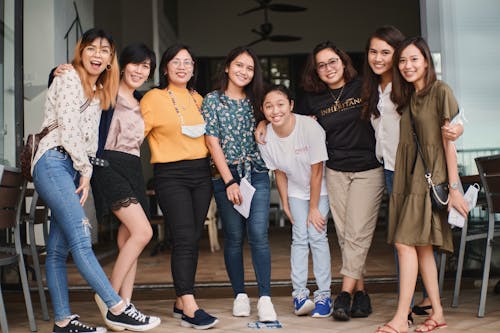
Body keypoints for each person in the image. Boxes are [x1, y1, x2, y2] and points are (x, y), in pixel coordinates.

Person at [33, 28, 159, 333]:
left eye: (104, 51)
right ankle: (116, 307)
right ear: (80, 52)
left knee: (59, 249)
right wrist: (87, 171)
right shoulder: (68, 79)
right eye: (91, 49)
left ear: (110, 59)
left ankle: (63, 321)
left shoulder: (100, 90)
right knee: (81, 235)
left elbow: (89, 137)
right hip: (54, 161)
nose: (97, 55)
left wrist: (83, 170)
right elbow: (69, 128)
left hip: (73, 168)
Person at [361, 26, 464, 326]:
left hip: (426, 177)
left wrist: (454, 187)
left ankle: (399, 318)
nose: (407, 65)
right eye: (403, 61)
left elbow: (450, 138)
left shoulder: (439, 90)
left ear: (426, 61)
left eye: (414, 60)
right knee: (421, 248)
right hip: (405, 176)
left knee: (405, 244)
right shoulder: (407, 95)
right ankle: (438, 313)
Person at [295, 41, 385, 321]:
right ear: (316, 71)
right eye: (321, 65)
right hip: (335, 171)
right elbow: (284, 117)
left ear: (343, 62)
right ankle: (362, 295)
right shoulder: (313, 100)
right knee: (347, 237)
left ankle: (343, 295)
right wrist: (262, 124)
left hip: (368, 170)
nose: (328, 68)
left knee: (357, 233)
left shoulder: (364, 88)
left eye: (332, 61)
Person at [140, 43, 218, 330]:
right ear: (165, 68)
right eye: (176, 61)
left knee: (191, 237)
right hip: (170, 175)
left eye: (188, 61)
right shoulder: (153, 98)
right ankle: (189, 305)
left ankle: (179, 300)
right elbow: (134, 134)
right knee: (184, 237)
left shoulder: (201, 99)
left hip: (201, 175)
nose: (183, 66)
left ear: (193, 68)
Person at [201, 46, 277, 322]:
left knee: (258, 234)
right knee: (233, 236)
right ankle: (240, 294)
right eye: (239, 65)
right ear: (227, 67)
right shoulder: (212, 100)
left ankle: (266, 298)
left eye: (249, 68)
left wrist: (264, 123)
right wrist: (229, 180)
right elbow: (212, 142)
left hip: (256, 172)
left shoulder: (258, 100)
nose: (244, 71)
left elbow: (279, 117)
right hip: (226, 175)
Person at [88, 43, 161, 330]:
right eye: (136, 64)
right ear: (123, 64)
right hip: (107, 164)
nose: (140, 71)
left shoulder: (144, 100)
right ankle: (108, 297)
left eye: (146, 67)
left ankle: (124, 304)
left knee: (128, 237)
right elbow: (75, 86)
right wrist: (56, 72)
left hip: (132, 167)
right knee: (144, 232)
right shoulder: (106, 89)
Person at [257, 85, 332, 318]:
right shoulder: (265, 136)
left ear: (291, 105)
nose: (275, 110)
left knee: (317, 235)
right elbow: (278, 172)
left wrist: (312, 209)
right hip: (296, 191)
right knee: (299, 236)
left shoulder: (309, 127)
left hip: (320, 190)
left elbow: (317, 170)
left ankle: (323, 295)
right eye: (269, 106)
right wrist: (286, 204)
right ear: (263, 110)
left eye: (280, 104)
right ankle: (300, 295)